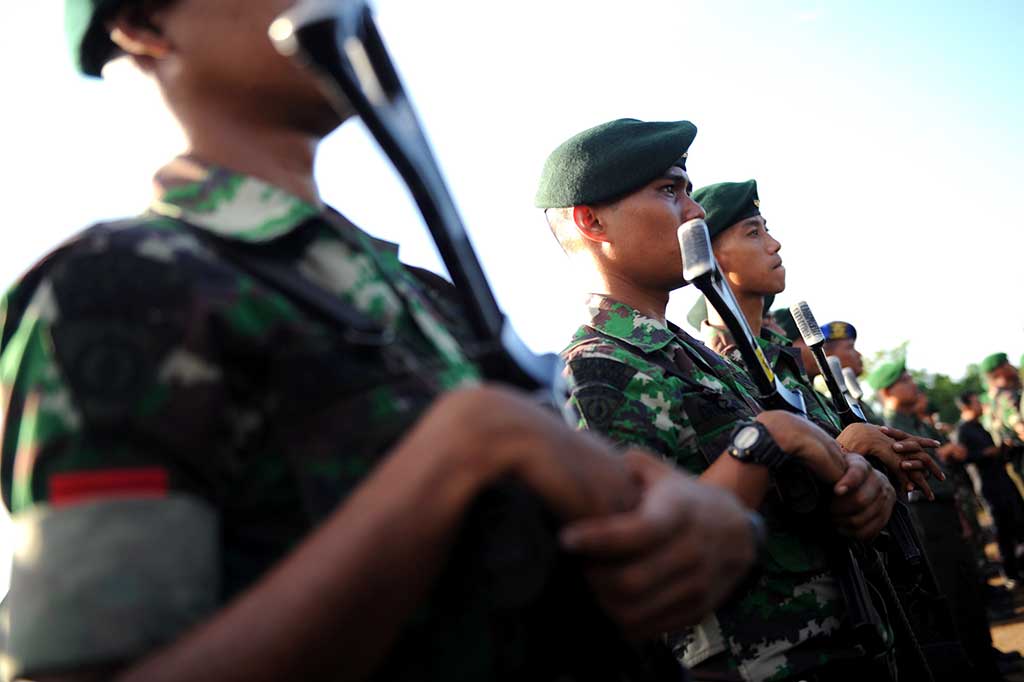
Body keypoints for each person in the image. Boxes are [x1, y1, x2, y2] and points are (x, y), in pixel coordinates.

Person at [0, 3, 761, 680]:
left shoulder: (418, 294)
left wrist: (695, 526)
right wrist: (457, 454)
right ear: (139, 22)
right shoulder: (122, 291)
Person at [538, 121, 899, 682]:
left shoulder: (693, 356)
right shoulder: (595, 366)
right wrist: (770, 440)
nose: (695, 211)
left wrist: (853, 483)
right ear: (591, 220)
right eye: (668, 190)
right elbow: (650, 558)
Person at [689, 179, 940, 495]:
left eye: (766, 229)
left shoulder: (779, 357)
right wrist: (848, 448)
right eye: (753, 233)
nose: (774, 243)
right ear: (706, 253)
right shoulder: (708, 367)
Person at [870, 361, 1005, 680]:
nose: (912, 383)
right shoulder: (890, 426)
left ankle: (987, 661)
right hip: (925, 519)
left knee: (969, 588)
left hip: (946, 511)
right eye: (904, 380)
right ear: (888, 391)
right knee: (952, 595)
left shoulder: (917, 422)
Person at [954, 391, 1024, 582]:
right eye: (976, 401)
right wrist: (986, 453)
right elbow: (963, 458)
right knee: (1001, 529)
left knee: (1016, 523)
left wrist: (1003, 448)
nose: (981, 405)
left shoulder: (979, 426)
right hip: (988, 486)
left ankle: (1019, 567)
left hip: (1002, 481)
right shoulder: (963, 431)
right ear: (966, 406)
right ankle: (1010, 574)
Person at [981, 353, 1024, 475]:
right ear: (999, 370)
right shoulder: (1004, 396)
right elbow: (1020, 428)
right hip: (1019, 454)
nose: (1011, 366)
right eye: (1007, 363)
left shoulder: (994, 396)